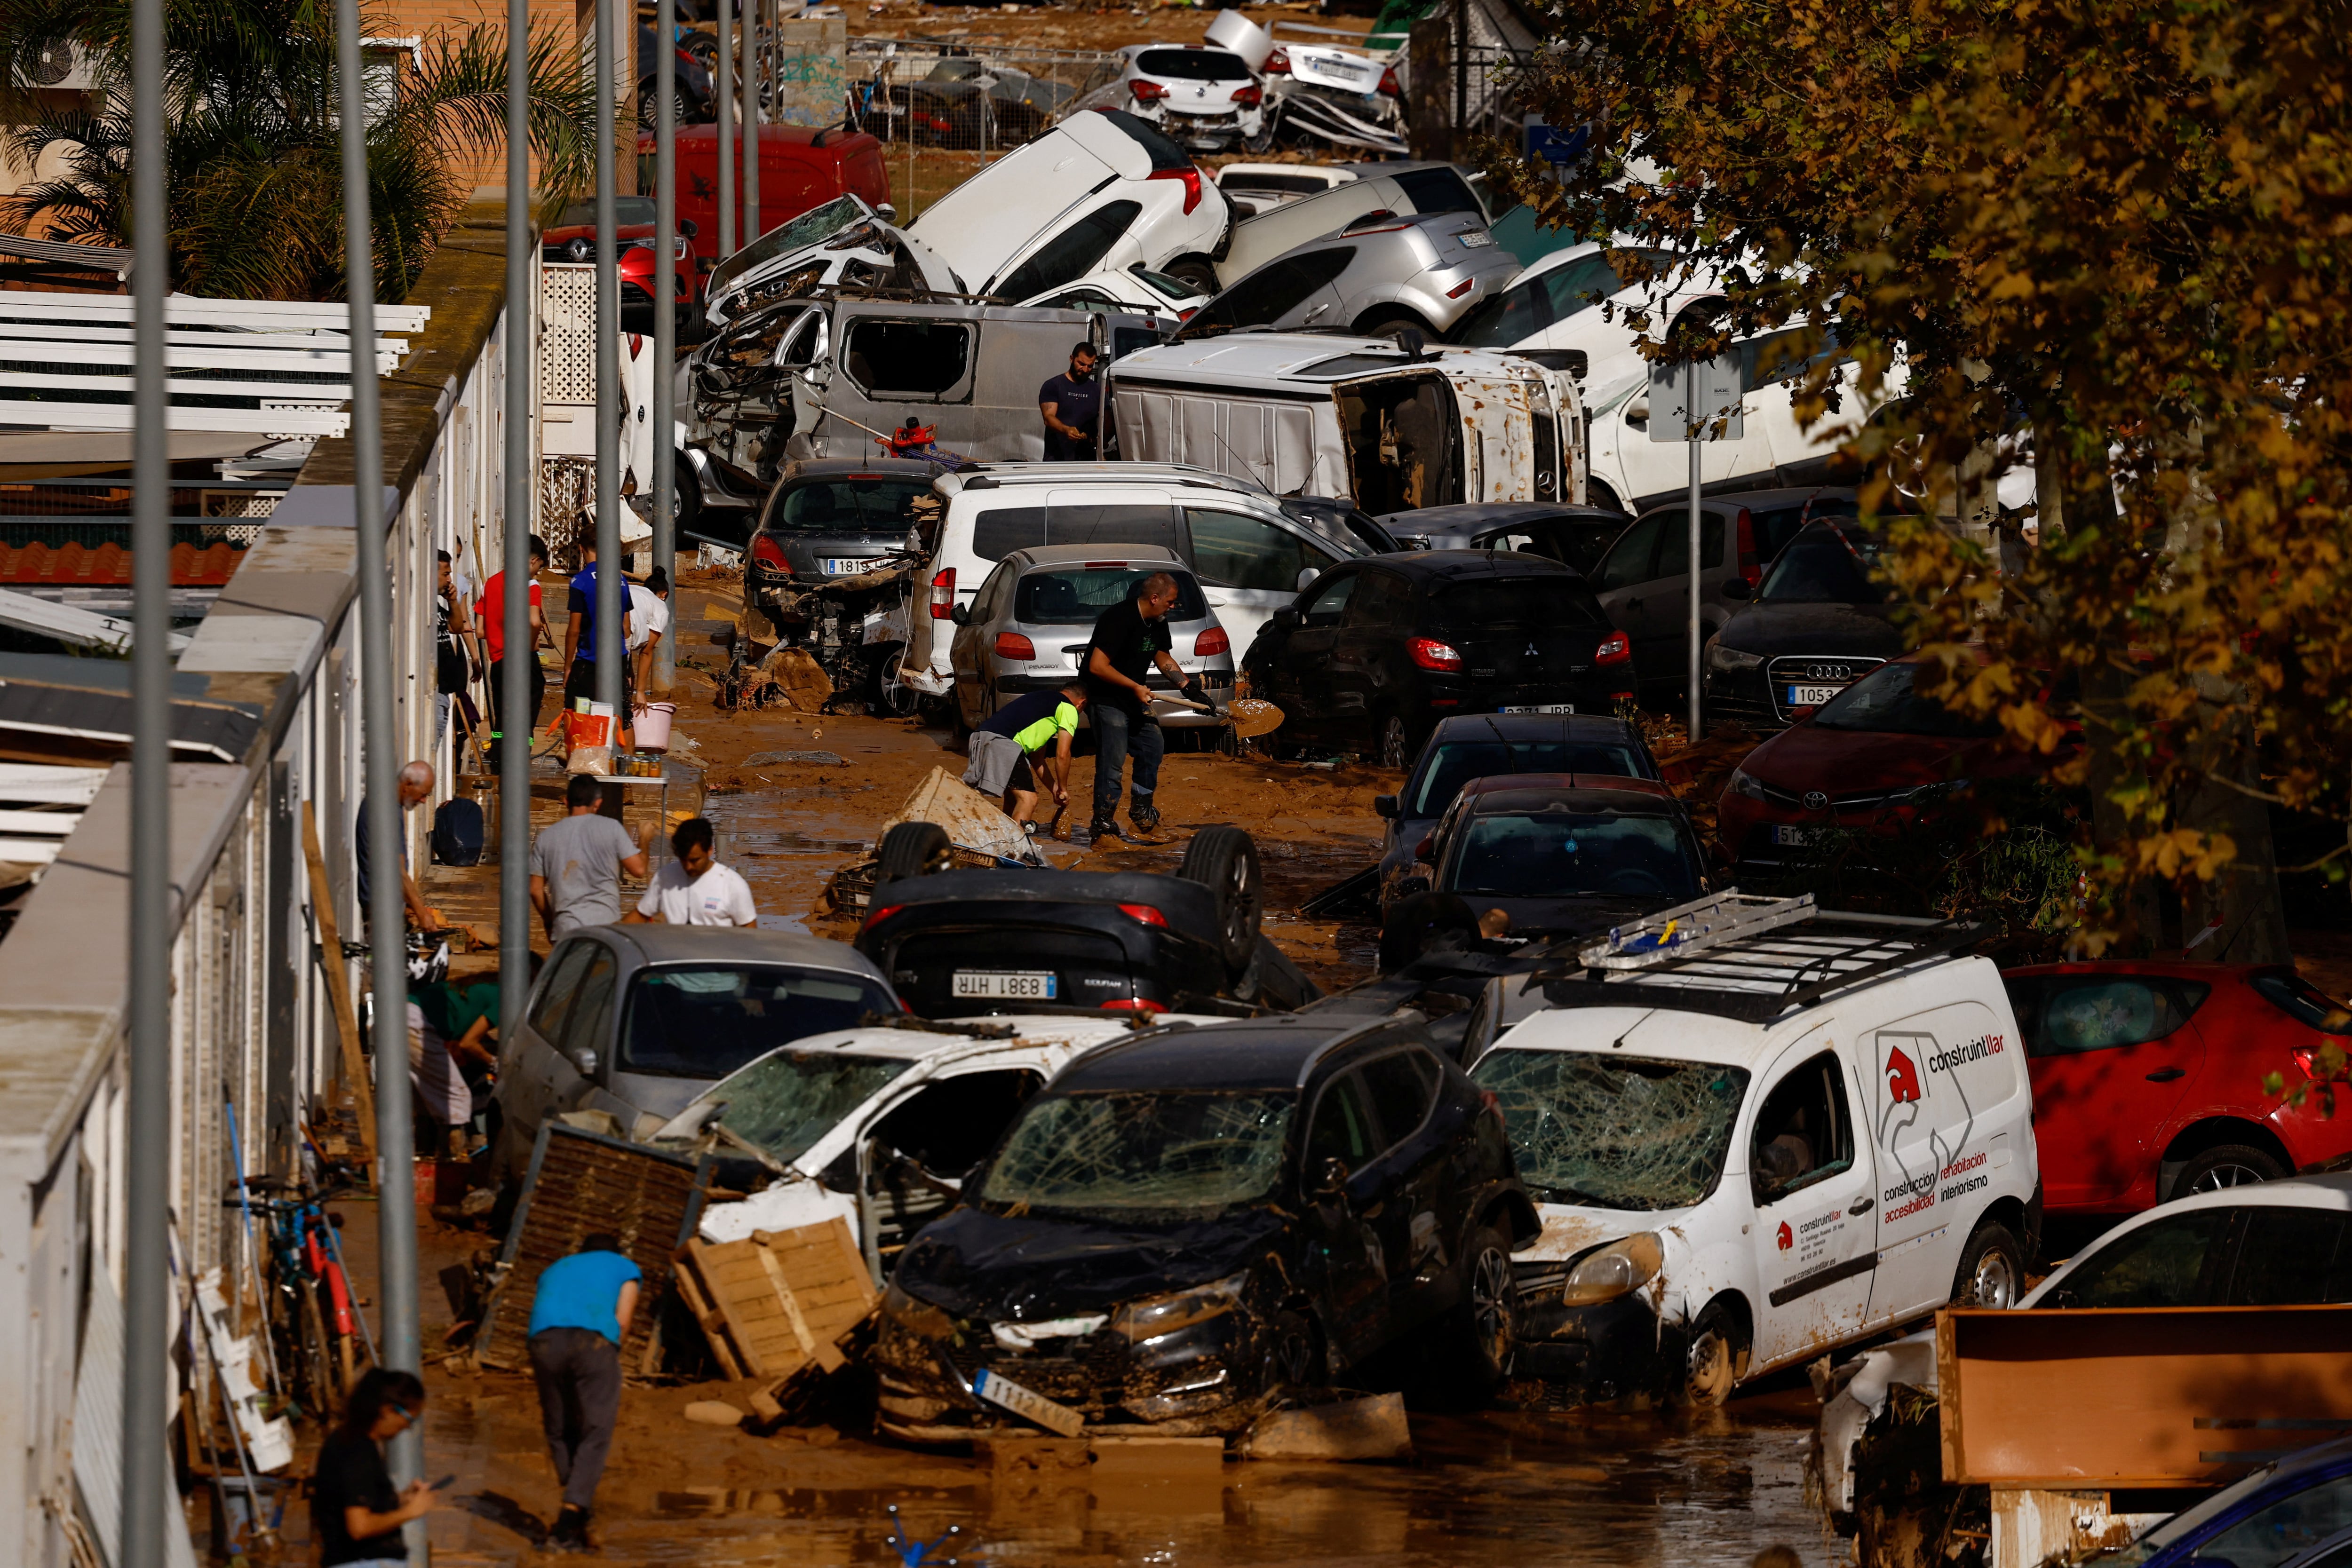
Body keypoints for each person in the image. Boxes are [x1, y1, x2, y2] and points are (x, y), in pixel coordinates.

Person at [527, 1232, 642, 1551]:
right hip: (592, 1341)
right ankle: (571, 1514)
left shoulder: (557, 1267)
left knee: (559, 1426)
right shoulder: (624, 1268)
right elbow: (623, 1321)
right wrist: (609, 1355)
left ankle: (575, 1504)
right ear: (616, 1253)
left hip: (544, 1340)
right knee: (596, 1428)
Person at [1081, 572, 1210, 841]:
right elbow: (1097, 666)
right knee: (1113, 763)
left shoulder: (1158, 621)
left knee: (1152, 747)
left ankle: (1142, 818)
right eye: (1171, 602)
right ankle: (1103, 829)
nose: (1173, 606)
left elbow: (1161, 654)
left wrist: (1187, 687)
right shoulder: (1118, 619)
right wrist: (1135, 687)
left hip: (1132, 698)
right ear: (1154, 598)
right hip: (1105, 698)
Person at [310, 1367, 441, 1567]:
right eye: (409, 1419)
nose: (407, 1427)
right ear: (388, 1410)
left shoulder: (349, 1442)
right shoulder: (357, 1451)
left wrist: (399, 1499)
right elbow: (359, 1527)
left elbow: (354, 1500)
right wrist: (410, 1512)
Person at [529, 773, 651, 939]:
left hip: (565, 930)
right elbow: (639, 870)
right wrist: (644, 838)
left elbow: (536, 890)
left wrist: (550, 922)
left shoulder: (546, 837)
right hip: (605, 930)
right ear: (598, 804)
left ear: (566, 802)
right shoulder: (612, 828)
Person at [963, 680, 1086, 827]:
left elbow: (1038, 760)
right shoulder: (1068, 708)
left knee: (1013, 798)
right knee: (1029, 799)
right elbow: (1063, 755)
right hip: (1004, 742)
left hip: (981, 736)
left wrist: (1055, 790)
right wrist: (1064, 788)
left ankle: (1004, 839)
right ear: (1082, 703)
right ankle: (1016, 847)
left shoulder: (1043, 702)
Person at [561, 527, 634, 747]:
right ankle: (627, 769)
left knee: (579, 712)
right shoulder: (621, 580)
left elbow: (574, 629)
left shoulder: (580, 582)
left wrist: (567, 668)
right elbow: (626, 627)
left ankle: (582, 762)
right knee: (624, 716)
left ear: (582, 549)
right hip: (617, 659)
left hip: (588, 661)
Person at [356, 760, 443, 931]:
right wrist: (422, 913)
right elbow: (397, 871)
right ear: (408, 784)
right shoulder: (384, 809)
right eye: (423, 794)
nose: (424, 801)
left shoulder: (391, 806)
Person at [480, 533, 550, 742]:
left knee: (503, 714)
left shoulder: (490, 584)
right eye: (540, 567)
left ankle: (499, 753)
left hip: (499, 661)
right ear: (533, 560)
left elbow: (481, 631)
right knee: (531, 700)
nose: (538, 573)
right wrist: (530, 649)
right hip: (522, 658)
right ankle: (525, 744)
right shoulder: (530, 586)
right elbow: (535, 622)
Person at [626, 816, 757, 926]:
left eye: (694, 860)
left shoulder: (733, 884)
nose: (688, 867)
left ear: (710, 851)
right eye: (683, 860)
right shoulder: (665, 877)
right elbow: (642, 914)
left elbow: (749, 932)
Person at [432, 550, 478, 755]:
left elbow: (457, 627)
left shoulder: (437, 606)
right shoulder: (420, 608)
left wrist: (452, 602)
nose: (450, 579)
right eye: (446, 574)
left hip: (443, 690)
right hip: (433, 693)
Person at [1038, 341, 1103, 461]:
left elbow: (1107, 418)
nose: (1085, 369)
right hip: (1057, 459)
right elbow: (1048, 418)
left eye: (1090, 366)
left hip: (1087, 460)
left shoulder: (1097, 390)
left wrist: (1097, 439)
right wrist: (1066, 430)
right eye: (1081, 364)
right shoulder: (1054, 386)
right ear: (1072, 359)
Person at [628, 567, 671, 698]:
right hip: (624, 634)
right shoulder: (661, 607)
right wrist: (640, 692)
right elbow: (646, 653)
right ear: (664, 595)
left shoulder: (632, 589)